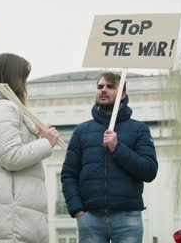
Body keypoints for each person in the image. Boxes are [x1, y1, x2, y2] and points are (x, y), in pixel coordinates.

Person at [0, 53, 60, 243]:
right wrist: (46, 143)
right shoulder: (4, 107)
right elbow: (11, 157)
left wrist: (35, 135)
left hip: (2, 217)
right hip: (10, 221)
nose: (25, 85)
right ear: (15, 78)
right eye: (24, 79)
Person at [61, 72, 158, 243]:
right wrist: (77, 210)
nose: (103, 90)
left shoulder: (139, 129)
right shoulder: (81, 131)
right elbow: (68, 174)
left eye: (110, 86)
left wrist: (117, 148)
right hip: (90, 218)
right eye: (100, 87)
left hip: (128, 218)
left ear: (122, 94)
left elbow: (149, 171)